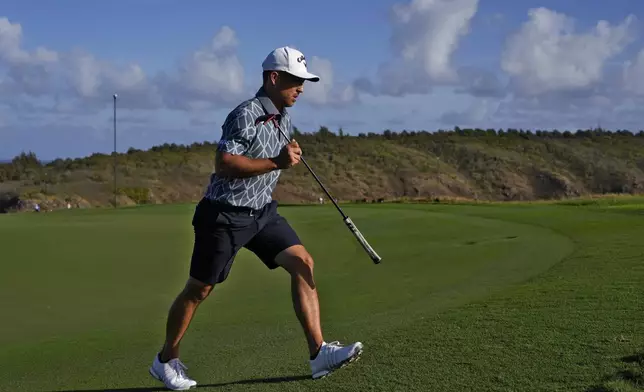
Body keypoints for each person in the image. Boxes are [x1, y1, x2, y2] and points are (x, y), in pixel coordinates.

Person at [149, 46, 363, 390]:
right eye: (296, 80)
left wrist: (286, 154)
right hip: (224, 216)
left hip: (262, 212)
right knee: (198, 290)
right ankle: (165, 360)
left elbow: (273, 155)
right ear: (274, 78)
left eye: (304, 82)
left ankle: (318, 353)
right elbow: (225, 163)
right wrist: (277, 162)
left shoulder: (284, 116)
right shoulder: (244, 114)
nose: (302, 88)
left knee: (303, 262)